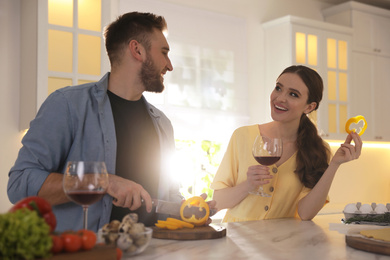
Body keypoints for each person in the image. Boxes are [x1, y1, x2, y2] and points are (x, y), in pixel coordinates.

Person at [7, 12, 183, 232]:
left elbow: (166, 197)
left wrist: (190, 209)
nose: (169, 65)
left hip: (150, 251)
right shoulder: (68, 105)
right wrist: (103, 182)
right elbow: (20, 183)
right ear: (137, 50)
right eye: (164, 52)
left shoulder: (162, 124)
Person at [211, 65, 362, 222]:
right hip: (237, 241)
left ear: (309, 107)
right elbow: (218, 202)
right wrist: (248, 185)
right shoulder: (242, 136)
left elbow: (305, 213)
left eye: (293, 94)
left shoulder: (317, 149)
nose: (280, 98)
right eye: (278, 88)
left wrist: (334, 165)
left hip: (282, 243)